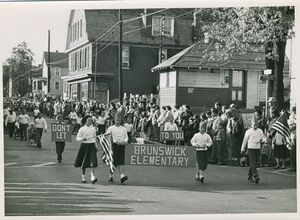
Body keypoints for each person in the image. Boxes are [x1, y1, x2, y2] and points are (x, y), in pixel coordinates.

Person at [74, 115, 98, 184]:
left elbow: (95, 138)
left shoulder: (93, 129)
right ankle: (83, 177)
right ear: (85, 120)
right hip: (84, 146)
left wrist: (96, 146)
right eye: (89, 120)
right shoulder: (82, 129)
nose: (90, 121)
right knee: (84, 162)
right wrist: (82, 139)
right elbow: (77, 138)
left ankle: (92, 176)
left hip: (92, 145)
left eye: (91, 120)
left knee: (93, 161)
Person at [106, 114, 129, 184]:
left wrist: (124, 142)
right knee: (113, 162)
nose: (118, 121)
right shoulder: (111, 128)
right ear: (114, 120)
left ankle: (122, 177)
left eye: (119, 120)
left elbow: (126, 137)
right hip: (114, 146)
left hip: (122, 146)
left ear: (121, 120)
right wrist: (115, 141)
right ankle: (110, 175)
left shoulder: (124, 129)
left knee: (121, 161)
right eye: (116, 120)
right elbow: (107, 137)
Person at [241, 119, 264, 184]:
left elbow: (263, 138)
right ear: (251, 124)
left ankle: (249, 176)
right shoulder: (248, 131)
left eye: (256, 125)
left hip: (257, 148)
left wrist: (261, 140)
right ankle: (255, 175)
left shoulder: (260, 131)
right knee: (252, 162)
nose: (255, 126)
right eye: (254, 125)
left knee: (255, 163)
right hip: (251, 148)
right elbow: (245, 140)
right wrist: (242, 148)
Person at [288, 106, 296, 172]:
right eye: (293, 110)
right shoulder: (291, 116)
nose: (294, 111)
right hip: (293, 137)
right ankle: (293, 166)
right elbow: (290, 126)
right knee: (292, 153)